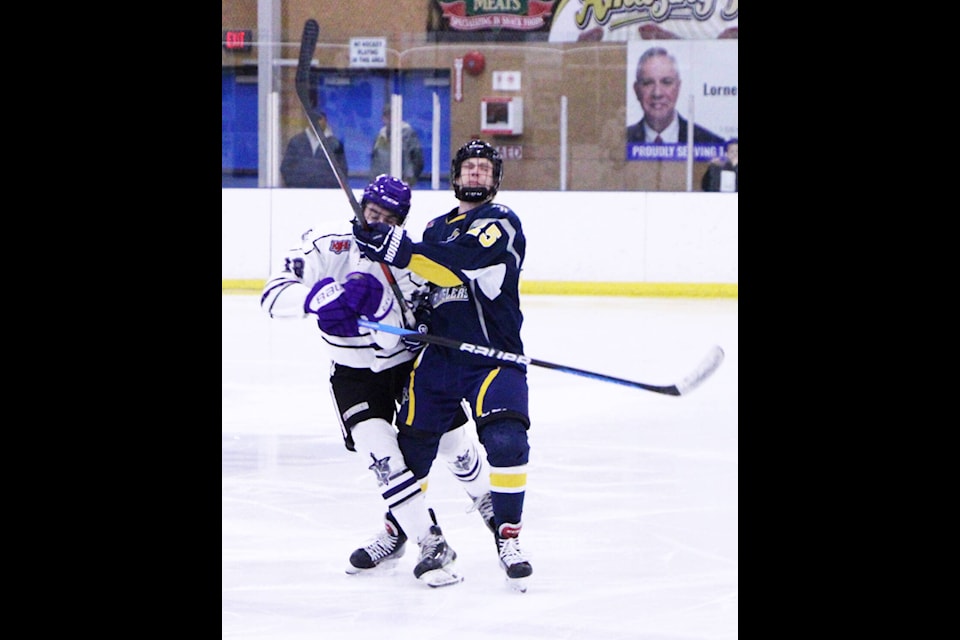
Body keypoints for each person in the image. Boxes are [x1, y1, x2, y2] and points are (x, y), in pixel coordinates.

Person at [260, 174, 496, 587]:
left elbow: (409, 332)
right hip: (352, 374)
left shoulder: (408, 260)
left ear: (400, 222)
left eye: (388, 218)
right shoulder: (328, 243)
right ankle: (427, 540)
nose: (376, 221)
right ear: (361, 206)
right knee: (383, 457)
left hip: (408, 365)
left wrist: (384, 314)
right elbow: (273, 295)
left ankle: (487, 500)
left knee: (449, 442)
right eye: (371, 212)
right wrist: (314, 300)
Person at [352, 140, 533, 591]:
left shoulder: (501, 222)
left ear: (495, 179)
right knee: (410, 453)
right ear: (455, 176)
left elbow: (455, 266)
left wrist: (395, 247)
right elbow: (423, 281)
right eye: (468, 168)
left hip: (491, 355)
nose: (475, 175)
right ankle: (399, 531)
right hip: (439, 356)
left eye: (483, 169)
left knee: (507, 442)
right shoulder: (433, 228)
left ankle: (508, 537)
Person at [626, 46, 725, 145]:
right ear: (636, 90)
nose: (657, 93)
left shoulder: (710, 143)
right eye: (648, 83)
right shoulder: (620, 141)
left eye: (666, 82)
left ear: (678, 87)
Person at [280, 109, 349, 188]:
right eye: (313, 119)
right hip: (299, 193)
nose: (316, 122)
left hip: (327, 195)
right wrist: (297, 185)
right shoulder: (296, 141)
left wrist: (327, 186)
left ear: (325, 120)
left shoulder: (336, 144)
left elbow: (343, 172)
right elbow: (285, 168)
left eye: (319, 119)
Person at [369, 105, 424, 186]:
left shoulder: (408, 134)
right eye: (386, 116)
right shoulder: (380, 136)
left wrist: (410, 180)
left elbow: (417, 160)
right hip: (382, 186)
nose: (388, 120)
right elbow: (375, 162)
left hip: (402, 185)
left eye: (391, 116)